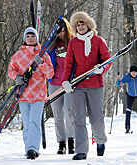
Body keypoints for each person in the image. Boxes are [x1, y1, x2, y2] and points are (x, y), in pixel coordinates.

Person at [61, 11, 112, 160]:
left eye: (82, 23)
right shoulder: (73, 42)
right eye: (77, 24)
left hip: (95, 84)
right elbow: (68, 64)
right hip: (78, 85)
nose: (80, 26)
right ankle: (81, 150)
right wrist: (66, 81)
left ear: (88, 24)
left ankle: (100, 141)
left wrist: (101, 68)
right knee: (78, 118)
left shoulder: (98, 40)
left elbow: (107, 60)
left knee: (96, 117)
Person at [8, 27, 54, 159]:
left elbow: (50, 73)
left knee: (34, 121)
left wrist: (42, 64)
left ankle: (33, 148)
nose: (30, 38)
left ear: (36, 38)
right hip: (23, 95)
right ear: (24, 38)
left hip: (38, 94)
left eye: (32, 36)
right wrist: (17, 77)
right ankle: (28, 147)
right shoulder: (18, 55)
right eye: (27, 36)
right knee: (27, 122)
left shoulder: (43, 55)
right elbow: (11, 70)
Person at [47, 18, 75, 154]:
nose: (61, 34)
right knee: (58, 115)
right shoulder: (52, 45)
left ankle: (71, 140)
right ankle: (61, 143)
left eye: (64, 31)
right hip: (54, 82)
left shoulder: (73, 43)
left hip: (69, 83)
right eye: (59, 32)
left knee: (69, 112)